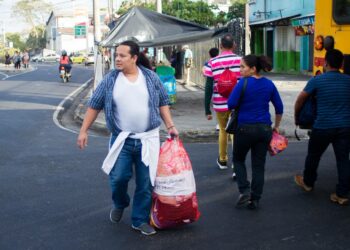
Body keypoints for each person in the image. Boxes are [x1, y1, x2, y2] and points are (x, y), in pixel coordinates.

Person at [77, 40, 179, 235]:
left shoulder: (150, 77)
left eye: (122, 55)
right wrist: (83, 130)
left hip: (148, 139)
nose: (117, 59)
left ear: (134, 58)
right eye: (116, 55)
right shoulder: (111, 79)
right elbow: (94, 104)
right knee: (118, 178)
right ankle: (120, 202)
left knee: (145, 183)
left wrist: (171, 126)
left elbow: (163, 102)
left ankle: (139, 220)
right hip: (121, 140)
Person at [294, 49, 350, 206]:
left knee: (313, 155)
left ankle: (308, 182)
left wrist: (297, 117)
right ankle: (342, 194)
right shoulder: (348, 80)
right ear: (342, 64)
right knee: (343, 159)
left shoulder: (317, 80)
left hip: (323, 126)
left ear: (325, 63)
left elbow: (300, 100)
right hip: (345, 127)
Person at [228, 55, 283, 210]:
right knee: (258, 165)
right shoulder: (269, 84)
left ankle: (244, 189)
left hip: (244, 128)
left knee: (238, 160)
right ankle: (255, 199)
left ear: (252, 69)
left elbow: (231, 104)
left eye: (242, 67)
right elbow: (279, 108)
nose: (240, 70)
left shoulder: (242, 83)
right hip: (264, 129)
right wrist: (276, 126)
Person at [203, 34, 241, 170]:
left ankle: (223, 160)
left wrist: (207, 108)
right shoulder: (241, 61)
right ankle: (237, 163)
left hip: (219, 103)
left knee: (223, 130)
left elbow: (208, 87)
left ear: (220, 46)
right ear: (234, 45)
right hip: (237, 103)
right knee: (235, 131)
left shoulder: (212, 63)